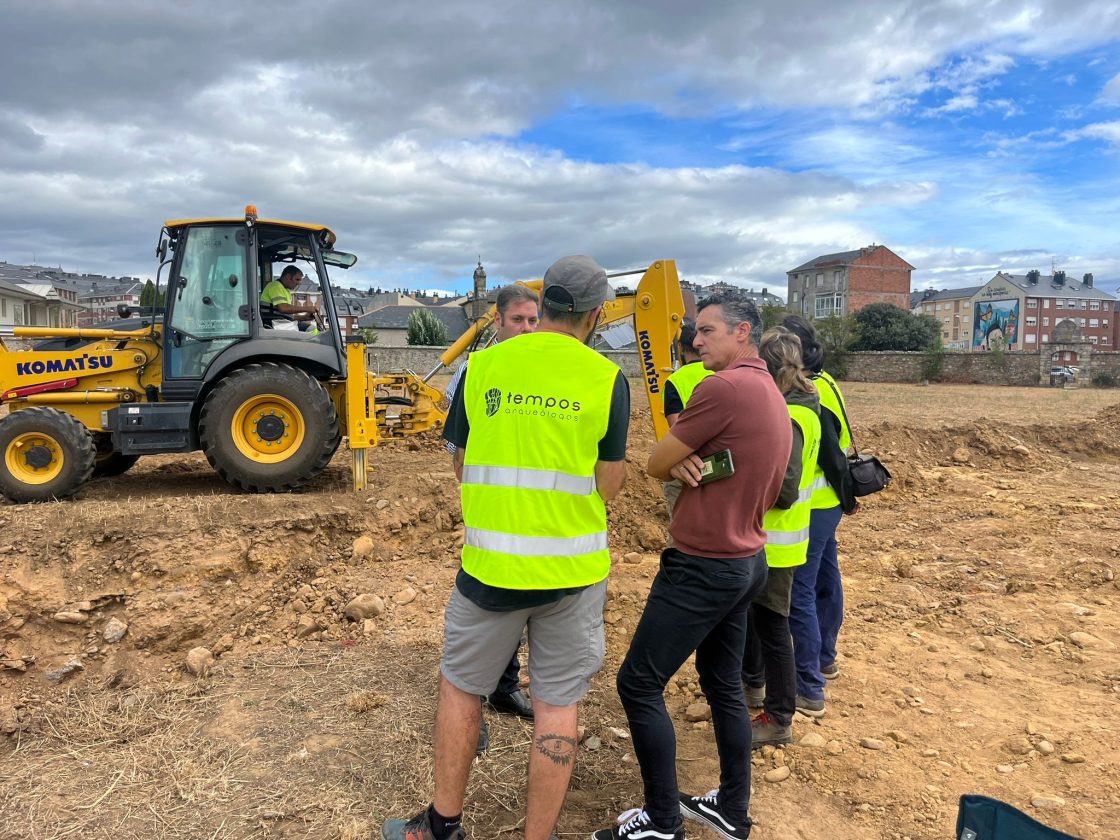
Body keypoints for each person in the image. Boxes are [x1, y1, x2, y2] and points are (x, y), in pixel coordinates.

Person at [383, 255, 630, 840]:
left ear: (542, 306)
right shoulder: (606, 379)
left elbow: (462, 461)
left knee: (462, 688)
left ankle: (443, 826)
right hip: (574, 573)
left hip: (490, 569)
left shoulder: (484, 367)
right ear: (596, 314)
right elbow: (610, 485)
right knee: (557, 708)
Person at [594, 292, 791, 840]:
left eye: (706, 331)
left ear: (742, 332)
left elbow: (656, 460)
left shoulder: (721, 388)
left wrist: (676, 459)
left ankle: (660, 822)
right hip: (747, 558)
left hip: (702, 565)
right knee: (723, 681)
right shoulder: (768, 389)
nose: (694, 341)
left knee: (638, 683)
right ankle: (732, 807)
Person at [444, 284, 542, 732]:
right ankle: (472, 705)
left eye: (533, 320)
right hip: (492, 515)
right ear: (498, 321)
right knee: (483, 613)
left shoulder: (546, 373)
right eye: (518, 319)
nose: (526, 328)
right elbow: (458, 448)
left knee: (517, 608)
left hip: (533, 515)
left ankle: (504, 687)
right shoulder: (477, 370)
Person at [742, 327, 822, 748]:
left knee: (773, 630)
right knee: (762, 625)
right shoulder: (802, 407)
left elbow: (786, 489)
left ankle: (778, 717)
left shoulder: (791, 416)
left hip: (775, 542)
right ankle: (757, 695)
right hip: (777, 542)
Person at [781, 314, 857, 718]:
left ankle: (809, 687)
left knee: (801, 592)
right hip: (828, 504)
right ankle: (825, 657)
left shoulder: (808, 393)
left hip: (812, 503)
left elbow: (826, 453)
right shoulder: (827, 383)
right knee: (827, 578)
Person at [660, 319, 712, 518]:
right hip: (724, 465)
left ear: (681, 347)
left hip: (689, 470)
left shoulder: (676, 380)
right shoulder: (723, 372)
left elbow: (678, 430)